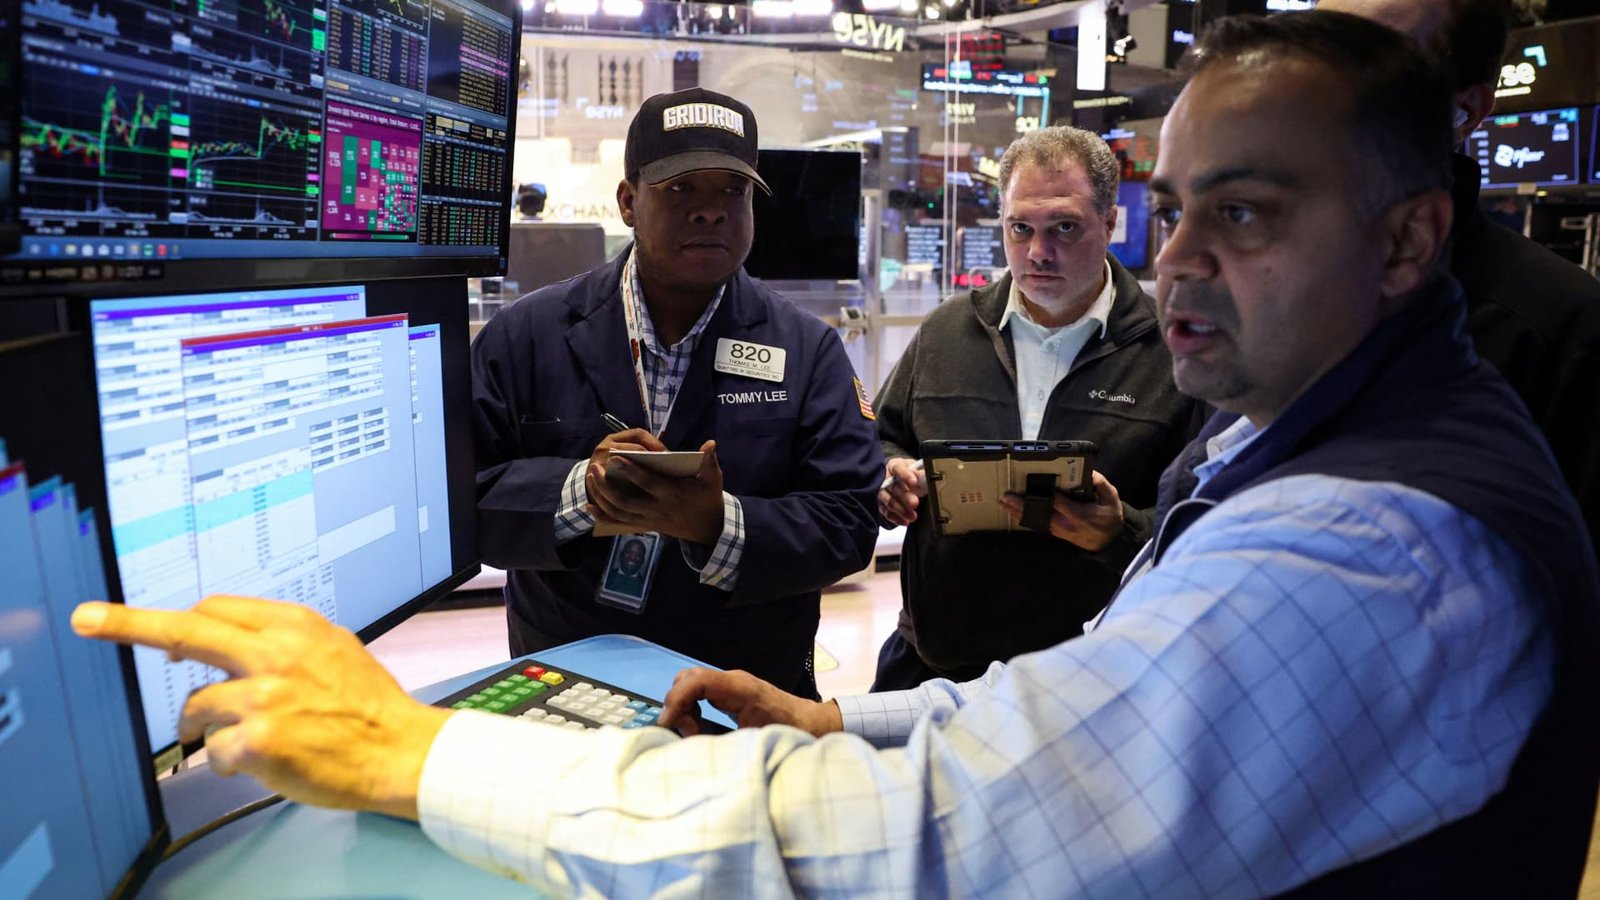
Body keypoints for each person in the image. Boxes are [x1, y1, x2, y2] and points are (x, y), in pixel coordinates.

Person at [73, 13, 1600, 896]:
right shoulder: (529, 340)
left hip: (711, 718)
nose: (1181, 256)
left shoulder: (1374, 552)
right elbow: (1073, 711)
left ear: (1409, 240)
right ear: (628, 203)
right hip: (616, 672)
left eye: (1247, 212)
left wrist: (428, 753)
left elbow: (943, 837)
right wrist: (831, 714)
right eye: (1180, 206)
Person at [470, 87, 883, 698]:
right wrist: (580, 492)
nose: (710, 211)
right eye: (680, 187)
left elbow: (849, 520)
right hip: (568, 686)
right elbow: (460, 497)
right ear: (628, 201)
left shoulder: (807, 349)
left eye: (733, 191)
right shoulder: (525, 336)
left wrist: (718, 523)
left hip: (748, 696)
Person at [873, 126, 1204, 690]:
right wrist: (889, 477)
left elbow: (1204, 521)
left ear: (1109, 223)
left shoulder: (1171, 351)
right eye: (1020, 228)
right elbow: (879, 439)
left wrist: (1120, 532)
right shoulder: (948, 332)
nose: (1037, 253)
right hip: (933, 662)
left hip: (1095, 682)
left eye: (1064, 228)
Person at [1321, 0, 1600, 569]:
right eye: (1309, 47)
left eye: (1370, 57)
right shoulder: (1253, 288)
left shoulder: (1561, 327)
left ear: (1466, 109)